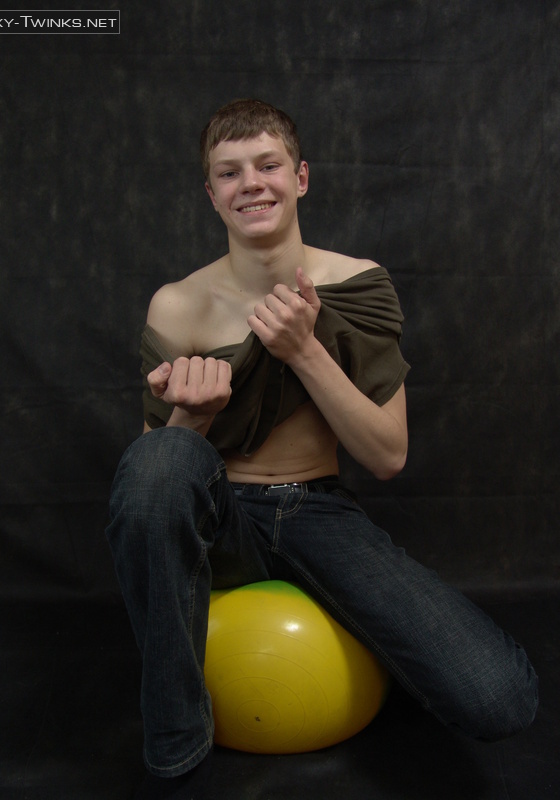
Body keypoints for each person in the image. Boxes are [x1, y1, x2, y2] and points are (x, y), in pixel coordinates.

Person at [106, 99, 538, 789]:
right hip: (220, 519)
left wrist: (304, 350)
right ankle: (176, 738)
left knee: (500, 698)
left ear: (300, 177)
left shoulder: (358, 284)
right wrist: (193, 415)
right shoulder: (179, 304)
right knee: (161, 459)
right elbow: (152, 491)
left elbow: (388, 455)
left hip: (318, 513)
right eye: (229, 172)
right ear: (211, 193)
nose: (251, 183)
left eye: (268, 165)